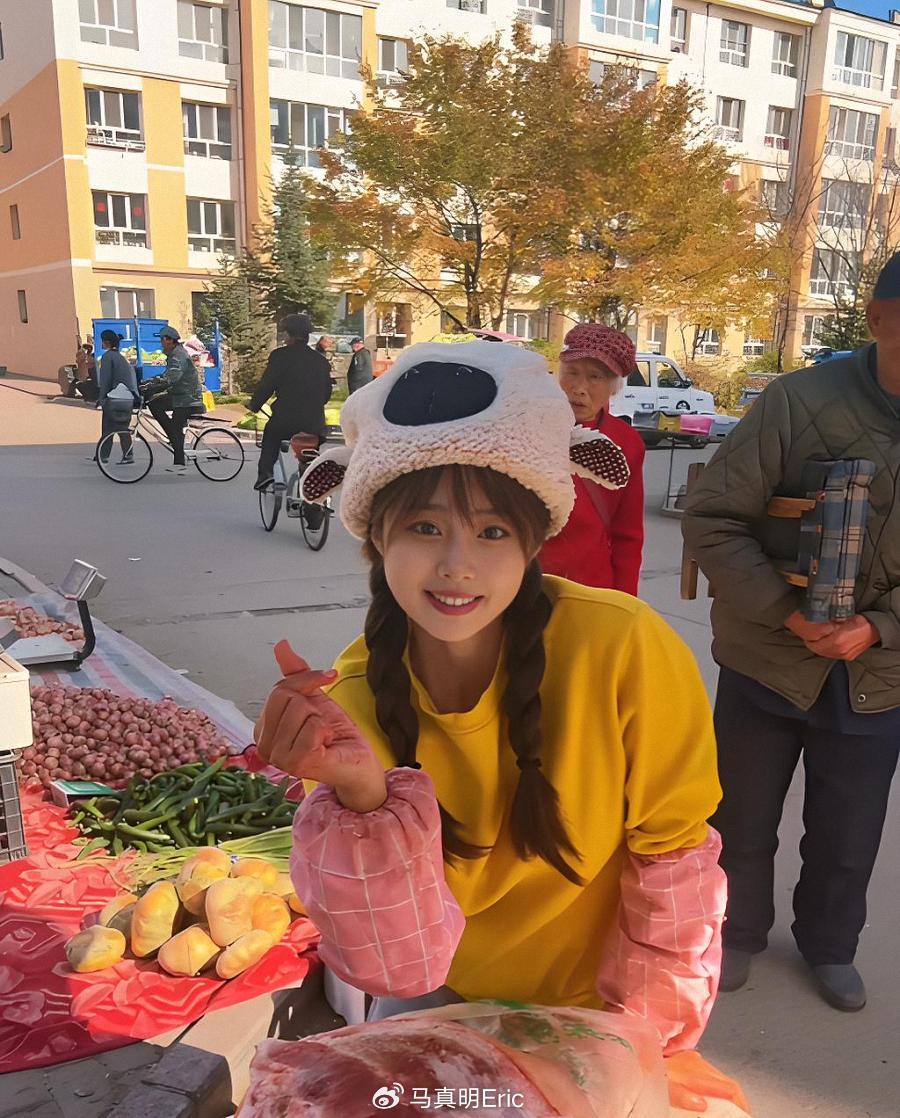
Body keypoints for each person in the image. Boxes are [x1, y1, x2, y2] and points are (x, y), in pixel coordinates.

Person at [253, 341, 742, 1110]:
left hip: (604, 1008)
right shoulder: (349, 698)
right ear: (375, 536)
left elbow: (673, 867)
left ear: (534, 540)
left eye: (491, 532)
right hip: (444, 1000)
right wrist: (358, 793)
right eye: (423, 527)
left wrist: (645, 1048)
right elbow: (397, 968)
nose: (457, 565)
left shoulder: (626, 649)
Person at [681, 251, 900, 1014]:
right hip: (768, 658)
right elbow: (713, 519)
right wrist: (786, 610)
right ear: (878, 319)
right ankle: (735, 931)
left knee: (848, 834)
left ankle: (829, 946)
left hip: (877, 676)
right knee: (741, 818)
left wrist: (878, 627)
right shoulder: (795, 402)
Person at [540, 323, 646, 593]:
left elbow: (628, 535)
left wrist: (623, 602)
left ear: (614, 387)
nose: (579, 388)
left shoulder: (626, 442)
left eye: (595, 377)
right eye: (572, 372)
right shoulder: (527, 425)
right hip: (524, 583)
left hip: (590, 589)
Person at [249, 314, 333, 492]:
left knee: (271, 435)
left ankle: (265, 474)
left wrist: (255, 404)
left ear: (288, 335)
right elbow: (326, 394)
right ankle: (310, 486)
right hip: (314, 423)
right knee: (310, 452)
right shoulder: (321, 361)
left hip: (285, 421)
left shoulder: (280, 356)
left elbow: (267, 385)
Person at [141, 326, 203, 476]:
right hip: (180, 396)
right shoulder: (174, 354)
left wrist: (153, 387)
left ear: (169, 340)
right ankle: (174, 437)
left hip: (187, 399)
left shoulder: (178, 355)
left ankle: (179, 460)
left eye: (162, 339)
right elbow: (167, 375)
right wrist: (151, 381)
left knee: (168, 419)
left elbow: (172, 378)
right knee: (155, 404)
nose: (161, 343)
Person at [97, 329, 139, 464]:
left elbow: (105, 380)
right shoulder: (121, 357)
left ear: (106, 342)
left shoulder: (107, 357)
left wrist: (101, 398)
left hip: (114, 398)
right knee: (122, 426)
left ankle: (103, 455)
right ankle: (128, 454)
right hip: (128, 397)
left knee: (108, 427)